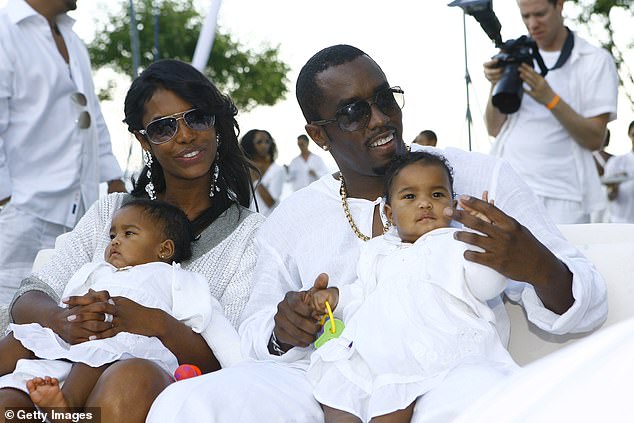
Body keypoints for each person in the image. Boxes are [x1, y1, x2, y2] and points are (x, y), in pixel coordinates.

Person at [147, 44, 606, 423]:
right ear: (318, 134)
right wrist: (283, 331)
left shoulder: (482, 177)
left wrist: (538, 266)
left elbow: (587, 303)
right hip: (325, 379)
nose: (381, 118)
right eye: (352, 113)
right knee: (186, 404)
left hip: (448, 373)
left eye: (385, 99)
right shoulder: (293, 218)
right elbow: (254, 335)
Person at [0, 58, 264, 422]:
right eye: (163, 128)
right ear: (144, 140)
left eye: (198, 117)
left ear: (216, 124)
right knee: (9, 396)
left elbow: (231, 355)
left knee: (130, 377)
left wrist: (151, 322)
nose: (185, 135)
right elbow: (32, 292)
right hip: (61, 367)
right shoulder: (111, 212)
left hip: (172, 393)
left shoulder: (250, 236)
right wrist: (61, 319)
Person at [306, 151, 517, 423]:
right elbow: (363, 291)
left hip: (437, 340)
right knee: (340, 391)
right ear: (390, 213)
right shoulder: (377, 251)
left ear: (453, 205)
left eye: (437, 195)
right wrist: (336, 297)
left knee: (392, 399)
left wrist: (485, 242)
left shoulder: (457, 243)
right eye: (410, 197)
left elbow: (487, 286)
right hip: (377, 346)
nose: (425, 204)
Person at [0, 199, 239, 412]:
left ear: (164, 249)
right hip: (78, 336)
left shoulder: (176, 278)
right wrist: (70, 317)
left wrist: (237, 363)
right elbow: (69, 298)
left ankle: (68, 403)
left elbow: (212, 327)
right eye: (112, 236)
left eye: (129, 234)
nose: (115, 242)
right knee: (22, 337)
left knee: (104, 347)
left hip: (126, 343)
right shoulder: (98, 271)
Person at [0, 0, 126, 303]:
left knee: (58, 315)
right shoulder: (4, 30)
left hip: (79, 213)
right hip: (22, 214)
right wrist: (6, 201)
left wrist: (114, 178)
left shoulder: (73, 39)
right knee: (5, 312)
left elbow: (91, 113)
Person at [484, 0, 618, 224]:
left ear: (559, 5)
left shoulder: (594, 60)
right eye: (525, 16)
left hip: (564, 194)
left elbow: (595, 139)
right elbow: (494, 128)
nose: (532, 24)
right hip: (510, 187)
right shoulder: (516, 54)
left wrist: (551, 99)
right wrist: (495, 83)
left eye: (540, 14)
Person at [240, 129, 286, 216]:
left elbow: (270, 202)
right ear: (250, 145)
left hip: (270, 219)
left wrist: (255, 178)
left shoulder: (277, 170)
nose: (264, 145)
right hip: (248, 220)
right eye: (259, 142)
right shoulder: (243, 169)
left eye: (267, 141)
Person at [603, 120, 634, 223]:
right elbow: (610, 196)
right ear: (629, 135)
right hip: (621, 222)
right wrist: (614, 186)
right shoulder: (616, 162)